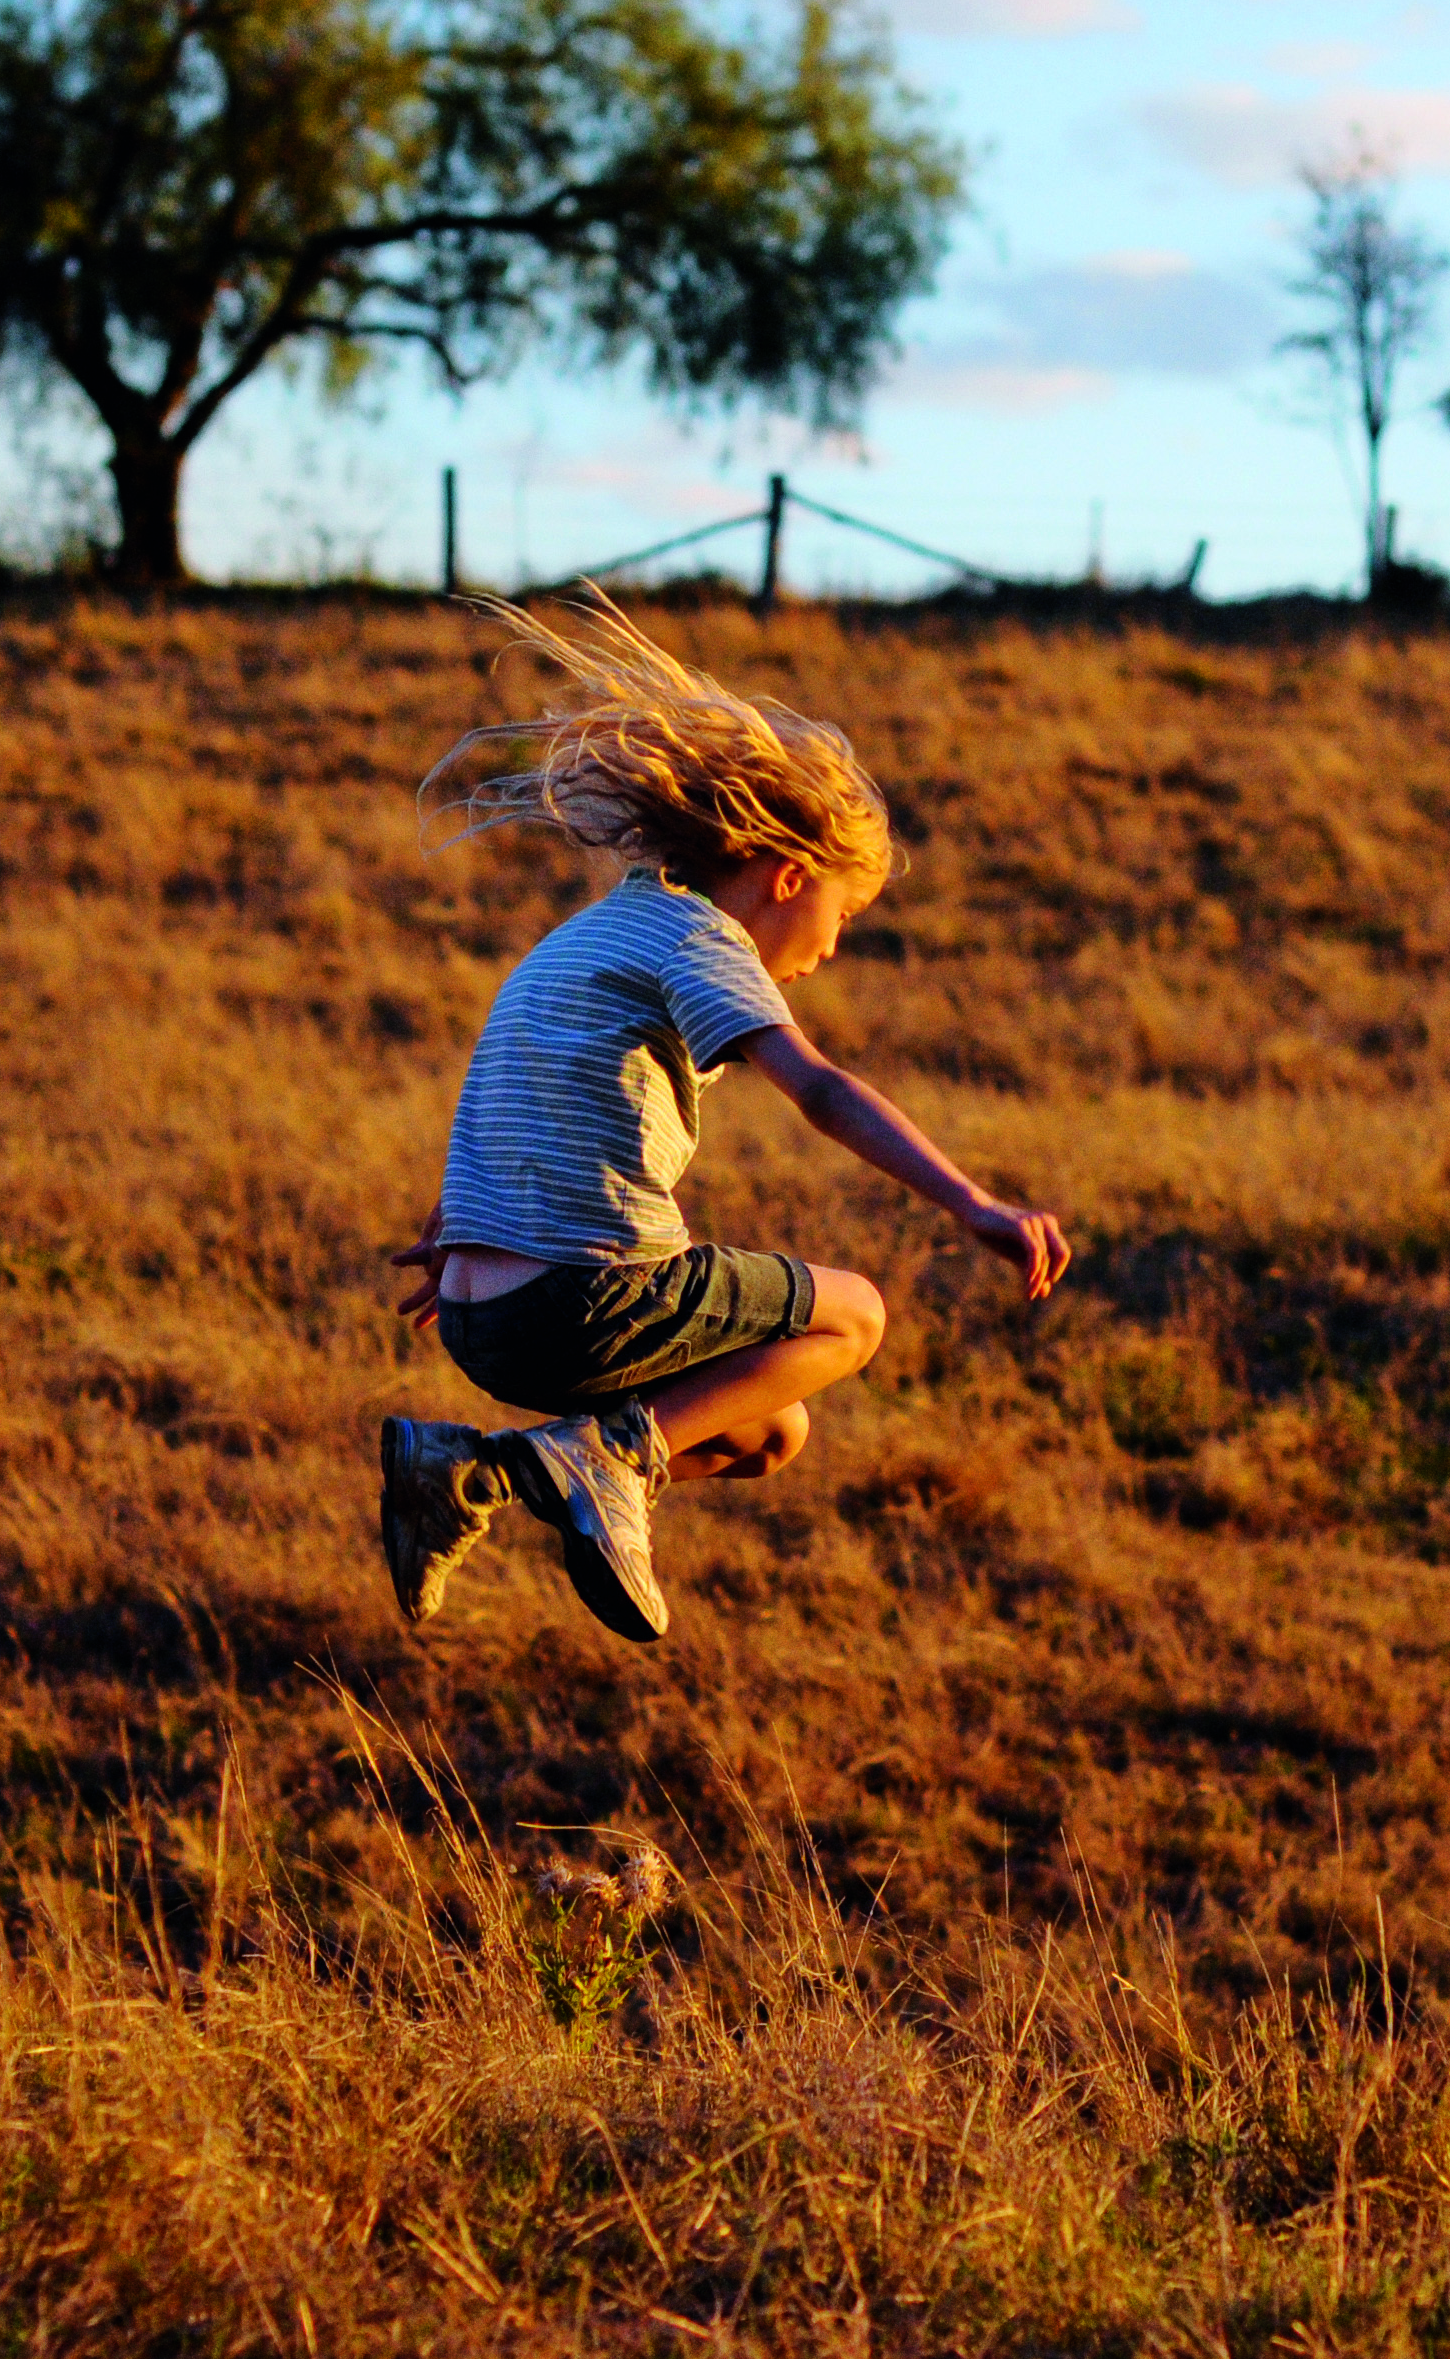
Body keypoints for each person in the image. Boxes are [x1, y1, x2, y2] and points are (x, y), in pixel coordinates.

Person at [379, 599, 1071, 1643]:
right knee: (854, 1316)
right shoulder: (700, 939)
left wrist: (458, 1237)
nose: (831, 949)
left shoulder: (589, 934)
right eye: (840, 918)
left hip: (487, 1320)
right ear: (787, 877)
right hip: (579, 1301)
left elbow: (519, 1082)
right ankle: (594, 1460)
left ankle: (478, 1468)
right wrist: (969, 1202)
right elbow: (822, 1089)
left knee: (769, 1427)